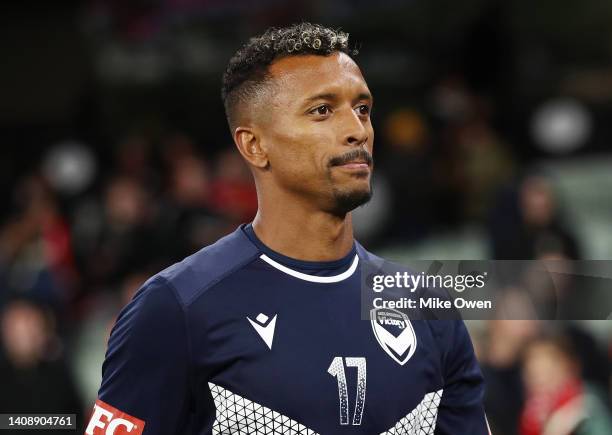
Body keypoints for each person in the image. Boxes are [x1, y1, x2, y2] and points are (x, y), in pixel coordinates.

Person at [87, 23, 490, 434]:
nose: (357, 130)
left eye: (363, 108)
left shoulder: (428, 307)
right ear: (254, 146)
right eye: (322, 110)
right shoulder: (176, 308)